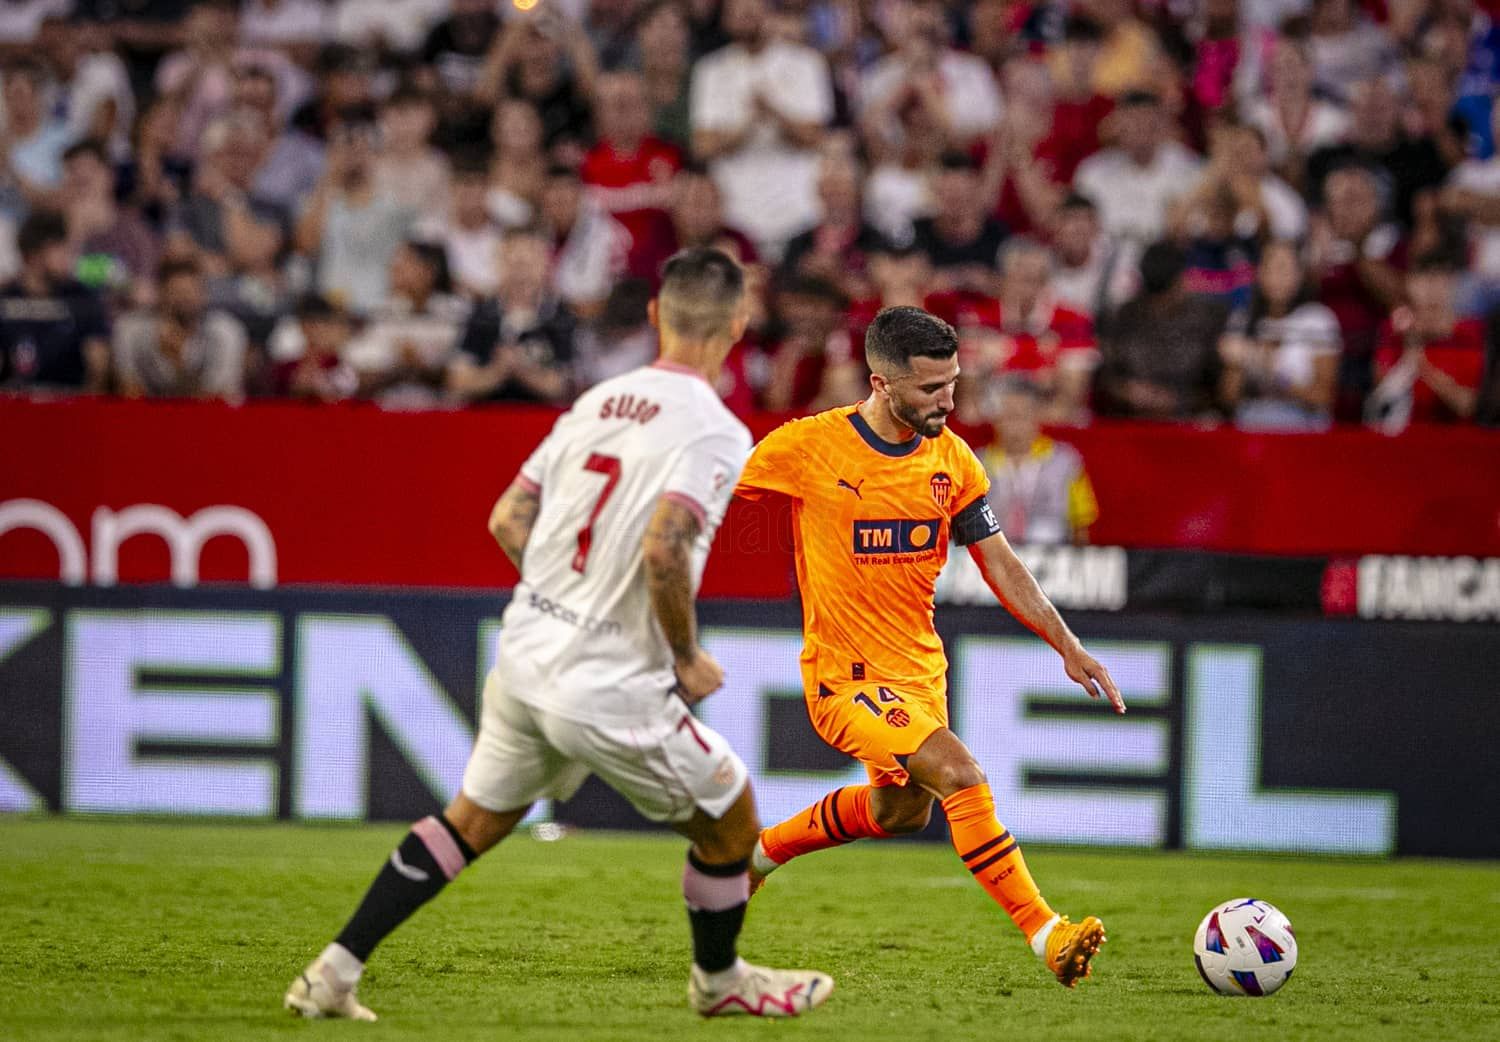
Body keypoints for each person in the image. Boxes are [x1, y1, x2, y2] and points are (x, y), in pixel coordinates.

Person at [284, 248, 835, 1021]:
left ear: (654, 316)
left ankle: (333, 973)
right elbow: (664, 547)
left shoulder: (598, 401)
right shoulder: (715, 431)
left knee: (471, 820)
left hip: (526, 653)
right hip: (607, 680)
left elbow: (508, 517)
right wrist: (684, 655)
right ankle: (719, 984)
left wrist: (561, 594)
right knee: (733, 814)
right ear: (738, 326)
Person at [734, 304, 1124, 988]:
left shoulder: (951, 459)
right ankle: (1047, 933)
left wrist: (1067, 643)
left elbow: (999, 561)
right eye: (931, 389)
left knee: (898, 811)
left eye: (953, 383)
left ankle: (755, 857)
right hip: (844, 678)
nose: (950, 400)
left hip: (919, 675)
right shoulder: (810, 446)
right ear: (881, 385)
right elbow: (707, 492)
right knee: (960, 775)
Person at [0, 209, 110, 392]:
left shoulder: (82, 299)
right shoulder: (6, 301)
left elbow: (98, 366)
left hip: (70, 403)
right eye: (59, 248)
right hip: (15, 403)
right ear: (33, 254)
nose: (68, 256)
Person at [984, 379, 1099, 546]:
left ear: (1036, 417)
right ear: (996, 420)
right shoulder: (977, 463)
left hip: (1053, 559)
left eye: (1021, 416)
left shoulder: (1065, 462)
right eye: (1008, 416)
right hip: (994, 560)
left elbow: (1080, 523)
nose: (1015, 425)